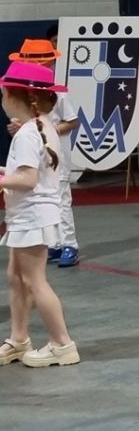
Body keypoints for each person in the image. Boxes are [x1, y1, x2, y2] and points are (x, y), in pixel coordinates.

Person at [0, 60, 80, 367]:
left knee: (34, 281)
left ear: (16, 98)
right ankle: (19, 339)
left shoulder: (27, 133)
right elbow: (29, 172)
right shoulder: (42, 127)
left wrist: (2, 180)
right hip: (29, 215)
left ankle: (62, 343)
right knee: (16, 277)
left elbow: (28, 179)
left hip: (31, 216)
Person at [7, 37, 80, 267]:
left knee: (61, 198)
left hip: (55, 154)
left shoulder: (56, 93)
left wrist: (48, 130)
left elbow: (72, 121)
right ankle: (54, 243)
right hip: (36, 154)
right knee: (44, 199)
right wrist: (19, 127)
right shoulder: (25, 94)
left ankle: (70, 244)